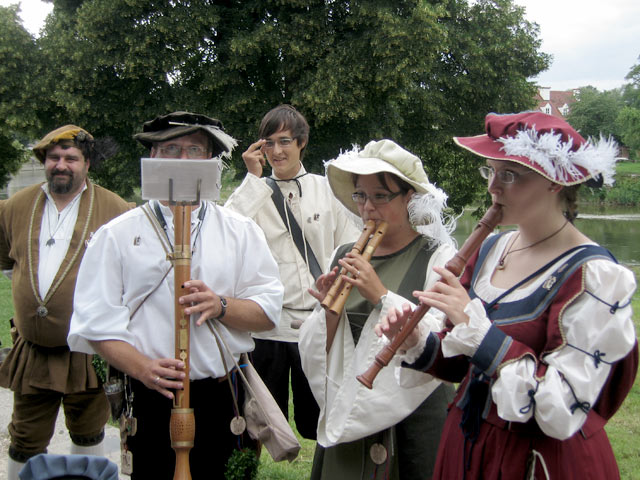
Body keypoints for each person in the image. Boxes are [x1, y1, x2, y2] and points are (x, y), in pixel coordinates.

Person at [378, 112, 638, 479]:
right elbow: (464, 364)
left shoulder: (594, 277)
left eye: (510, 175)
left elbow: (562, 407)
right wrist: (418, 341)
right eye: (490, 171)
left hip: (537, 461)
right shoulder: (491, 248)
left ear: (554, 182)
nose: (493, 188)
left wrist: (479, 332)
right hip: (468, 447)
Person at [67, 112, 284, 479]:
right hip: (152, 398)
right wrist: (143, 368)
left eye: (194, 151)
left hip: (222, 397)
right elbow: (95, 323)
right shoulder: (116, 235)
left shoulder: (240, 231)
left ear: (211, 163)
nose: (182, 161)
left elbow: (268, 311)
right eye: (170, 149)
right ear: (153, 157)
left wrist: (221, 306)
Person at [299, 139, 457, 479]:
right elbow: (324, 347)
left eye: (380, 196)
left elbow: (442, 340)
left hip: (414, 414)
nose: (368, 207)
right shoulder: (345, 252)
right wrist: (328, 312)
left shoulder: (436, 255)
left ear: (409, 197)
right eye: (360, 195)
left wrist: (380, 294)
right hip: (351, 401)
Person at [0, 125, 131, 479]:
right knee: (24, 437)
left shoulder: (115, 209)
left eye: (71, 158)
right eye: (54, 158)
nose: (61, 165)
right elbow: (8, 261)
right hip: (34, 351)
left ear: (87, 163)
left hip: (89, 350)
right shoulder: (15, 206)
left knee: (89, 431)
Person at [225, 104, 359, 439]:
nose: (276, 150)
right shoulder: (252, 193)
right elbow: (225, 235)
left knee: (324, 420)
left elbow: (350, 248)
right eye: (268, 143)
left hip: (316, 323)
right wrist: (252, 180)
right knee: (258, 423)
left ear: (301, 142)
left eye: (284, 141)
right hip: (267, 326)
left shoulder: (326, 189)